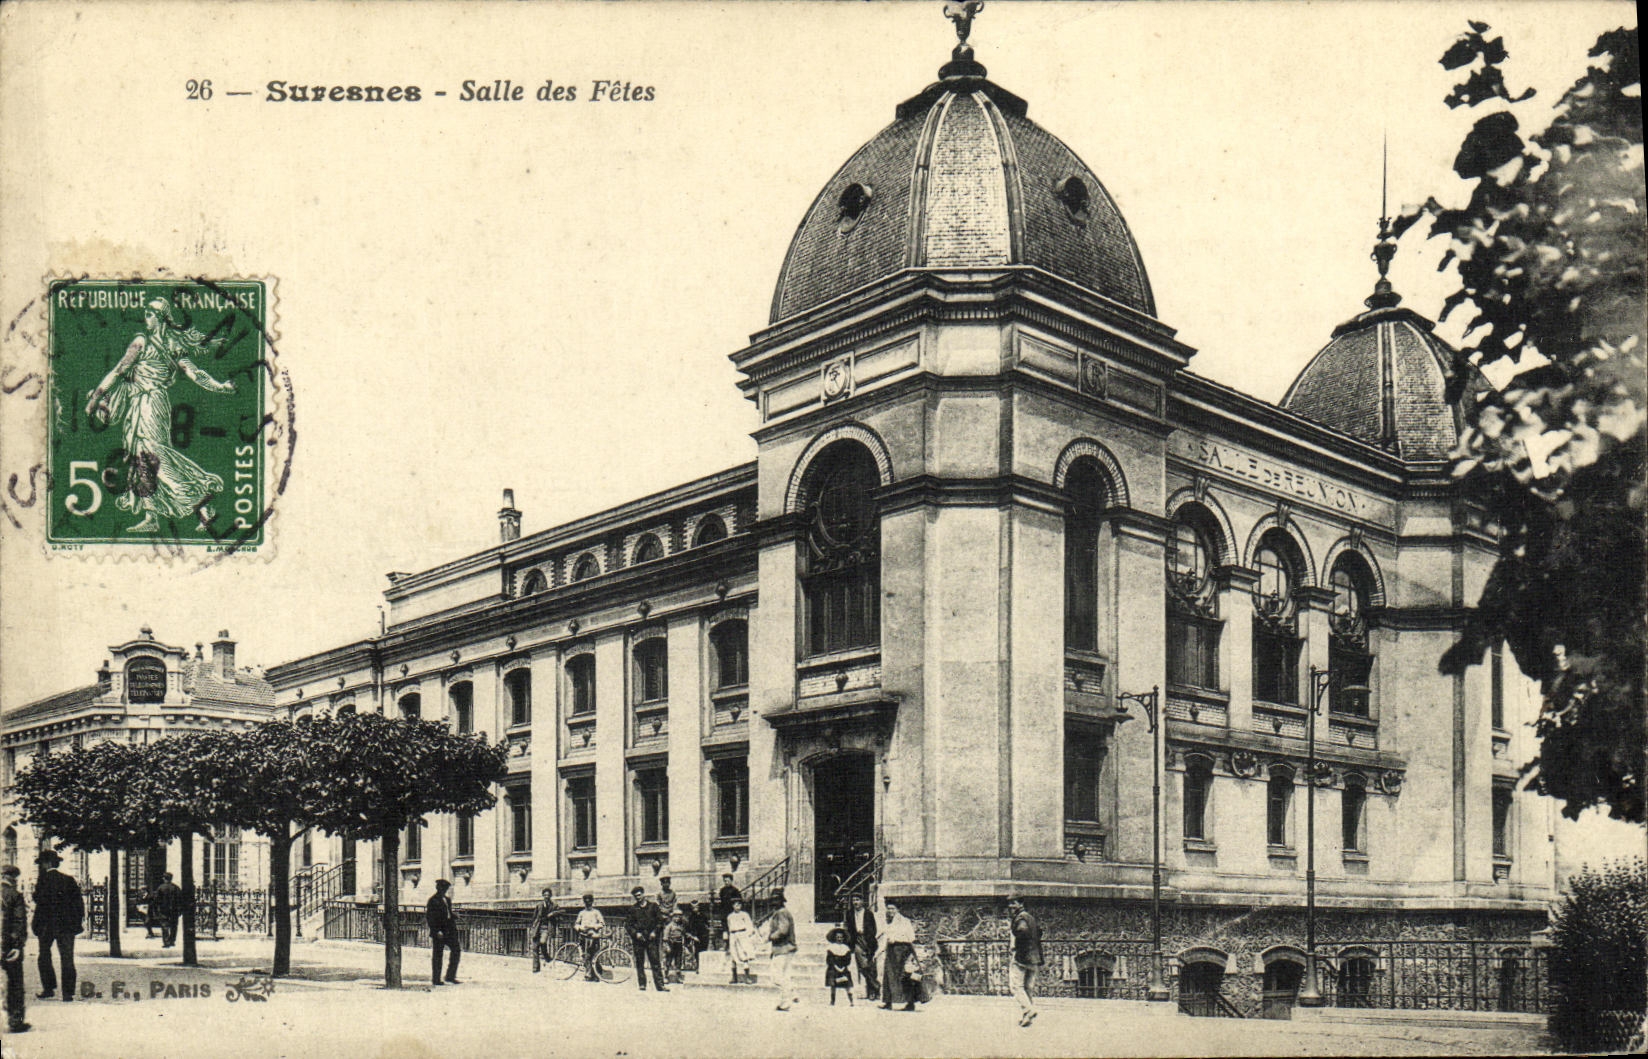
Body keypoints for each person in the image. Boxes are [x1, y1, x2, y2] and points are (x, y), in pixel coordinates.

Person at [83, 296, 237, 533]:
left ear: (162, 318)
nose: (146, 317)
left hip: (152, 404)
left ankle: (203, 505)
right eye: (146, 312)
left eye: (150, 313)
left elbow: (195, 374)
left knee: (156, 457)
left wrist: (220, 387)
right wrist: (99, 395)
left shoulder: (159, 344)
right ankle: (151, 516)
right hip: (138, 403)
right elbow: (120, 369)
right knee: (138, 458)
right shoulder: (145, 342)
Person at [31, 848, 82, 1003]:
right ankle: (68, 993)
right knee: (67, 958)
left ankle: (49, 988)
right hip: (66, 926)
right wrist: (76, 923)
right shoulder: (69, 880)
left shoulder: (42, 880)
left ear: (47, 863)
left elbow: (39, 902)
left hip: (47, 926)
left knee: (44, 956)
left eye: (42, 863)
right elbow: (79, 904)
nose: (42, 866)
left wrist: (37, 925)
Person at [1007, 896, 1043, 1027]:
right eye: (1010, 903)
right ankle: (1027, 1017)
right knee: (1028, 988)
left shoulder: (1020, 918)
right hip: (1034, 957)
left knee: (1016, 986)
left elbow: (1022, 931)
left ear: (1021, 903)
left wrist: (1016, 948)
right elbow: (1039, 932)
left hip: (1022, 957)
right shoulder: (1031, 918)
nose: (1011, 906)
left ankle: (1029, 1010)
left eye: (1013, 903)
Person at [877, 899, 917, 1012]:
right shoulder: (888, 922)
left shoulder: (905, 921)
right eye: (888, 908)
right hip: (891, 952)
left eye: (893, 908)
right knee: (888, 976)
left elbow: (911, 937)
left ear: (898, 909)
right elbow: (885, 937)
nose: (890, 911)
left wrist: (897, 939)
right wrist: (878, 952)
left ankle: (910, 1003)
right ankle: (888, 1002)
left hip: (902, 951)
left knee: (903, 976)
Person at [764, 887, 800, 1011]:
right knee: (785, 975)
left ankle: (785, 1002)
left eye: (776, 900)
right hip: (784, 948)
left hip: (783, 948)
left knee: (776, 976)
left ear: (781, 901)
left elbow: (783, 930)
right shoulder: (780, 912)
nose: (774, 903)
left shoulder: (782, 913)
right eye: (772, 900)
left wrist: (770, 937)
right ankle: (793, 993)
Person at [626, 886, 667, 992]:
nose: (638, 898)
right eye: (636, 896)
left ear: (643, 894)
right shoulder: (633, 909)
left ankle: (660, 985)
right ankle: (642, 984)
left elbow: (660, 922)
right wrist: (636, 934)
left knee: (655, 962)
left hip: (651, 939)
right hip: (639, 940)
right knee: (639, 963)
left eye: (639, 895)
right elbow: (628, 925)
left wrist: (655, 932)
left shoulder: (653, 907)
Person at [2, 865, 28, 1034]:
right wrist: (17, 945)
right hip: (7, 946)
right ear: (13, 878)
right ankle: (15, 1020)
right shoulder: (14, 895)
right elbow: (19, 922)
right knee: (15, 981)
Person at [843, 892, 879, 1001]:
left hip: (868, 940)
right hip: (856, 941)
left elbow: (874, 929)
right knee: (863, 966)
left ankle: (872, 991)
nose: (855, 902)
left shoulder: (868, 913)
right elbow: (848, 928)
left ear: (862, 902)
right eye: (853, 900)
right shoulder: (849, 914)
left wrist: (870, 941)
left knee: (870, 966)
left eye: (857, 900)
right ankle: (876, 986)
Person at [426, 879, 461, 986]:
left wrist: (454, 915)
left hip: (450, 930)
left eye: (446, 888)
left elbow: (447, 914)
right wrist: (436, 931)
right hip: (440, 932)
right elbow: (430, 918)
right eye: (443, 888)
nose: (445, 890)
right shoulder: (433, 900)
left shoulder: (447, 899)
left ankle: (450, 976)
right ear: (438, 888)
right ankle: (436, 979)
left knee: (456, 951)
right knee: (438, 955)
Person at [573, 892, 605, 981]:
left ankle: (596, 973)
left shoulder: (596, 912)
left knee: (594, 955)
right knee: (586, 956)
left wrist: (593, 926)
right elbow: (576, 924)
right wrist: (580, 928)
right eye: (586, 902)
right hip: (583, 936)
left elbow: (602, 923)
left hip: (593, 937)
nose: (588, 903)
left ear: (592, 902)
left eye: (589, 901)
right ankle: (588, 975)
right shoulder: (581, 913)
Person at [724, 897, 756, 985]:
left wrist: (748, 936)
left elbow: (749, 926)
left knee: (744, 955)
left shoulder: (744, 915)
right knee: (734, 956)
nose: (738, 906)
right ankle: (734, 977)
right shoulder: (730, 916)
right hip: (733, 935)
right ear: (733, 906)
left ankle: (747, 977)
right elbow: (729, 926)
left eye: (739, 904)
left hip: (742, 935)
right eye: (736, 904)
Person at [661, 910, 696, 984]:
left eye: (679, 916)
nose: (677, 918)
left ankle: (678, 977)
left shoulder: (680, 926)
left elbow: (685, 933)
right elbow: (665, 938)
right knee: (668, 961)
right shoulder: (669, 926)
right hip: (671, 944)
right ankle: (665, 976)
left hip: (678, 945)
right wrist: (667, 947)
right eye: (676, 916)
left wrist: (692, 937)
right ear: (672, 917)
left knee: (678, 961)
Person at [528, 888, 558, 973]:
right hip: (537, 927)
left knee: (542, 942)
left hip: (546, 927)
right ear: (543, 896)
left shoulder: (554, 905)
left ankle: (547, 957)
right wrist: (532, 927)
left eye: (548, 895)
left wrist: (553, 913)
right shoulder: (539, 905)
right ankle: (535, 968)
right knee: (535, 948)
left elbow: (561, 911)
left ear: (550, 896)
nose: (546, 897)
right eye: (545, 895)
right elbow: (534, 917)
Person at [825, 926, 855, 1007]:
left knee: (847, 984)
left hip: (843, 968)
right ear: (835, 938)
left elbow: (848, 960)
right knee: (833, 984)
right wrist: (836, 967)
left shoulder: (846, 948)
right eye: (837, 937)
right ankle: (832, 1000)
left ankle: (851, 1000)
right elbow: (829, 960)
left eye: (841, 937)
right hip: (833, 968)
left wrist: (843, 967)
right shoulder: (831, 948)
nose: (839, 939)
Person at [155, 872, 183, 948]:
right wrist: (180, 910)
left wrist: (157, 910)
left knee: (164, 926)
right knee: (174, 926)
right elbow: (180, 900)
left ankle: (166, 942)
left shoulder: (161, 888)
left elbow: (157, 900)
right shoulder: (176, 888)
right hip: (174, 910)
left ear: (164, 878)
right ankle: (172, 941)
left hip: (164, 910)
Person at [716, 873, 742, 950]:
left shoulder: (735, 890)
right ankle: (726, 944)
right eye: (725, 881)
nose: (726, 882)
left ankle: (734, 945)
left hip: (732, 912)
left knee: (733, 928)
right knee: (725, 929)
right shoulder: (722, 890)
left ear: (731, 881)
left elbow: (738, 901)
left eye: (728, 881)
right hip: (724, 912)